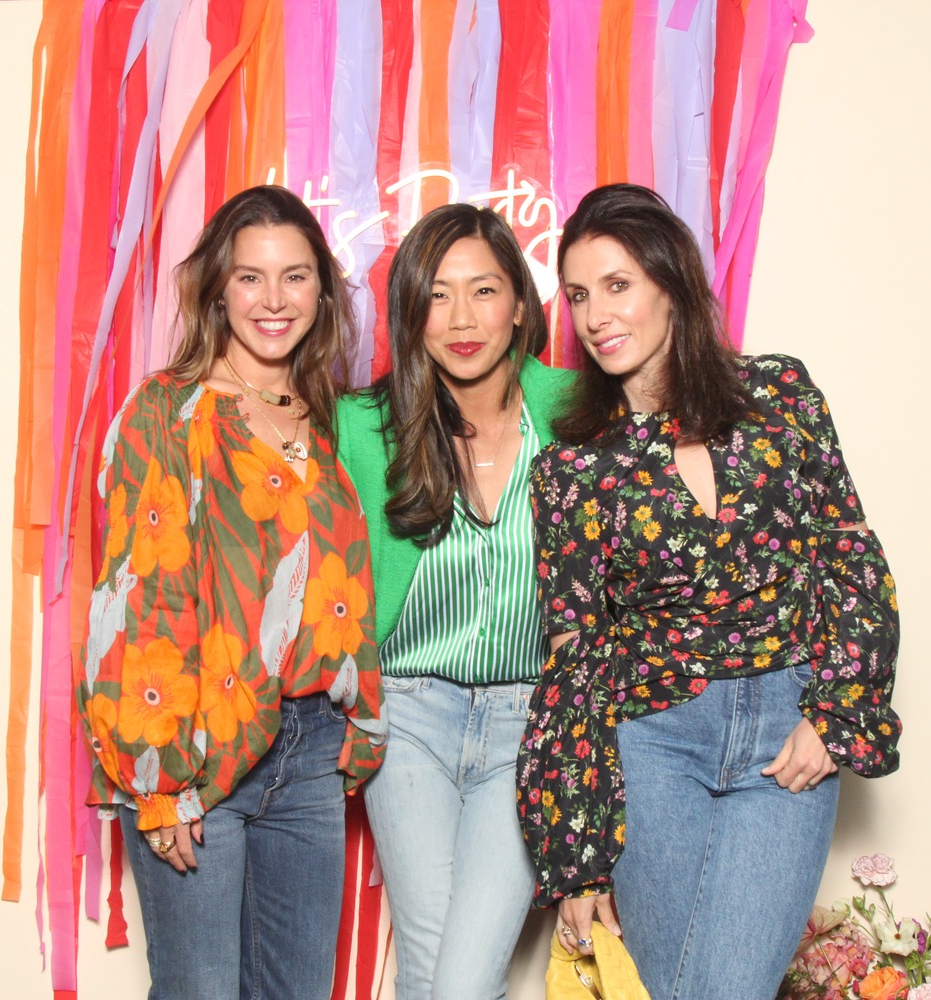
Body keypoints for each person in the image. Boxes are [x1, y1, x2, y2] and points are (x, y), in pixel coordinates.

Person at [518, 183, 901, 1000]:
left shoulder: (781, 395)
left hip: (785, 733)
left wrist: (839, 710)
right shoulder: (573, 469)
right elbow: (573, 657)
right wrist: (578, 857)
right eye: (578, 295)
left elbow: (847, 552)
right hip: (653, 744)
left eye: (617, 285)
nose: (595, 316)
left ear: (672, 283)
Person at [76, 185, 386, 1000]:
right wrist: (159, 781)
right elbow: (140, 600)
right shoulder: (166, 412)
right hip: (199, 748)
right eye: (250, 277)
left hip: (311, 753)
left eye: (295, 277)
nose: (273, 300)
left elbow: (342, 589)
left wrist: (360, 722)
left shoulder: (326, 420)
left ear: (322, 292)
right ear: (218, 289)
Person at [336, 203, 577, 999]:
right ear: (411, 311)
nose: (462, 319)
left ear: (521, 306)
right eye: (437, 295)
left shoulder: (580, 414)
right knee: (436, 966)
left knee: (459, 982)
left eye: (484, 290)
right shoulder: (362, 426)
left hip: (530, 723)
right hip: (406, 718)